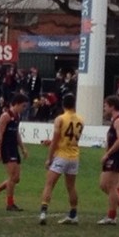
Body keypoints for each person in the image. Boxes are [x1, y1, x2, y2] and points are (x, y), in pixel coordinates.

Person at [38, 93, 83, 226]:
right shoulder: (81, 119)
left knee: (49, 184)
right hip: (74, 156)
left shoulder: (60, 119)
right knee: (71, 187)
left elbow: (58, 139)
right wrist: (52, 142)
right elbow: (68, 138)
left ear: (63, 104)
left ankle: (43, 212)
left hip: (61, 156)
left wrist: (49, 158)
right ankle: (73, 214)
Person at [0, 93, 29, 211]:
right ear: (17, 104)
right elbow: (0, 134)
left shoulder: (17, 116)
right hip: (7, 149)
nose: (24, 109)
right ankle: (10, 204)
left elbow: (16, 133)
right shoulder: (6, 116)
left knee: (16, 178)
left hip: (14, 148)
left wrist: (23, 147)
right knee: (12, 177)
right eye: (23, 106)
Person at [97, 96, 119, 225]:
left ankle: (111, 216)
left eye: (105, 106)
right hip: (113, 156)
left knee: (110, 186)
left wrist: (108, 154)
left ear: (112, 106)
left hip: (117, 156)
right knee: (103, 185)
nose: (104, 108)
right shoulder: (114, 121)